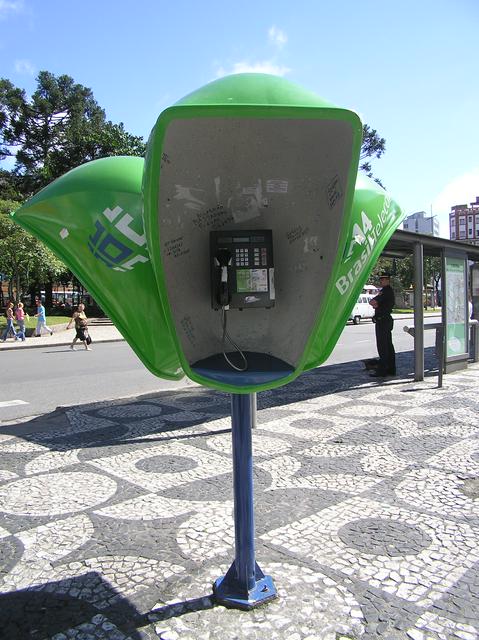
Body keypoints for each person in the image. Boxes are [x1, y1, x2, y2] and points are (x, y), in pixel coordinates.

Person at [368, 273, 396, 377]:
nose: (381, 281)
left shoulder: (385, 291)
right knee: (388, 346)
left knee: (383, 346)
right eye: (381, 280)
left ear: (388, 280)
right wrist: (378, 304)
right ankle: (390, 369)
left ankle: (382, 370)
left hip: (383, 321)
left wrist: (376, 304)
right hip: (385, 320)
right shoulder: (388, 291)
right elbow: (375, 303)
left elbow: (372, 302)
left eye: (383, 280)